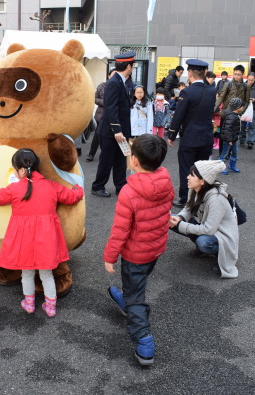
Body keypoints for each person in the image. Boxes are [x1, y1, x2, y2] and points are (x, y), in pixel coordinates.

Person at [0, 148, 84, 317]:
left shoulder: (14, 189)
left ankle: (29, 304)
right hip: (47, 239)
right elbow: (72, 197)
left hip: (24, 240)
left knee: (27, 273)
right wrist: (77, 189)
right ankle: (50, 307)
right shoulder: (51, 186)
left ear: (21, 170)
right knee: (47, 274)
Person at [103, 134, 173, 366]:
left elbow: (120, 231)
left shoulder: (129, 192)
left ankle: (144, 340)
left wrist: (110, 256)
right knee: (137, 281)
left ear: (133, 161)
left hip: (135, 254)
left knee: (136, 296)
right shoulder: (166, 182)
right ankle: (126, 300)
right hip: (154, 248)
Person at [169, 160, 239, 279]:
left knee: (203, 242)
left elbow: (209, 230)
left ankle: (220, 255)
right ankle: (202, 250)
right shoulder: (195, 188)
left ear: (202, 181)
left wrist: (181, 224)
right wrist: (179, 218)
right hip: (207, 227)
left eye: (192, 175)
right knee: (171, 220)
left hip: (222, 235)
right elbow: (188, 209)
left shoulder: (217, 199)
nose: (187, 177)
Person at [167, 59, 217, 207]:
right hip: (206, 137)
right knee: (202, 171)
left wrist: (171, 134)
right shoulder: (212, 91)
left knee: (186, 169)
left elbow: (179, 115)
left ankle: (185, 198)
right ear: (205, 73)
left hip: (190, 137)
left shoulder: (187, 92)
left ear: (189, 74)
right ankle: (200, 197)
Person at [91, 51, 135, 198]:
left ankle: (120, 185)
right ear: (129, 66)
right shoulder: (114, 82)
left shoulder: (120, 81)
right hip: (111, 131)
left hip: (118, 130)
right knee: (107, 160)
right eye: (132, 65)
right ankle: (98, 186)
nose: (133, 67)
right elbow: (111, 108)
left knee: (120, 159)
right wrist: (117, 129)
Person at [86, 69, 116, 162]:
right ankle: (91, 154)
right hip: (101, 115)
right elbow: (95, 99)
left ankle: (107, 155)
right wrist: (105, 102)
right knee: (97, 136)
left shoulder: (119, 87)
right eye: (113, 75)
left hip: (114, 115)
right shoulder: (102, 86)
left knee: (113, 136)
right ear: (109, 76)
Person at [218, 98, 245, 174]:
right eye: (241, 106)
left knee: (235, 152)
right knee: (224, 153)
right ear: (237, 107)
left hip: (233, 138)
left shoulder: (232, 114)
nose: (242, 107)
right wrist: (229, 140)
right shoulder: (232, 117)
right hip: (229, 139)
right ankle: (220, 168)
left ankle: (232, 166)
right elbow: (227, 129)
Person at [241, 72, 255, 149]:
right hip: (243, 108)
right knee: (242, 125)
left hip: (253, 108)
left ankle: (250, 142)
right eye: (249, 80)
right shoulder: (243, 86)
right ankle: (242, 140)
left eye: (252, 80)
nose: (250, 81)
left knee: (252, 125)